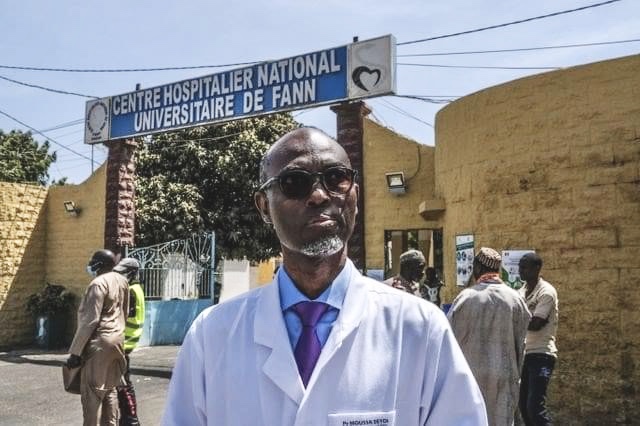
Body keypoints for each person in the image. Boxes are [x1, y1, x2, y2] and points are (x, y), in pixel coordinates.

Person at [162, 127, 487, 425]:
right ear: (264, 206)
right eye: (295, 182)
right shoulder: (212, 335)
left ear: (355, 196)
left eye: (335, 178)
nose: (318, 195)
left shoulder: (419, 329)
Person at [447, 247, 531, 426]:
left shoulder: (465, 298)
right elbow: (521, 342)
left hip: (470, 379)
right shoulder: (515, 299)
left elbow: (449, 340)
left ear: (477, 268)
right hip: (504, 375)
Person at [67, 249, 129, 426]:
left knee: (92, 392)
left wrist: (75, 352)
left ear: (99, 264)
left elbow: (90, 320)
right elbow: (124, 312)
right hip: (117, 340)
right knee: (110, 389)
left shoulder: (97, 283)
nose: (90, 264)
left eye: (92, 261)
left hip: (99, 341)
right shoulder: (122, 281)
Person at [518, 253, 558, 426]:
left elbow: (536, 324)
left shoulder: (546, 292)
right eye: (520, 266)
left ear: (536, 269)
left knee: (535, 407)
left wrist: (518, 319)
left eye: (524, 267)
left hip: (541, 355)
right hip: (525, 354)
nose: (520, 270)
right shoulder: (521, 291)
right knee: (523, 407)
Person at [113, 258, 144, 426]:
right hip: (127, 341)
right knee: (123, 383)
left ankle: (131, 420)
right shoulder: (135, 288)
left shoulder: (131, 290)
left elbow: (124, 315)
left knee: (124, 385)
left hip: (125, 341)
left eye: (123, 273)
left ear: (132, 274)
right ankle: (128, 419)